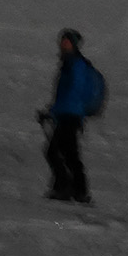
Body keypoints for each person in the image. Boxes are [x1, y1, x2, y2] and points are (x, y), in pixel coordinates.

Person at [36, 28, 93, 204]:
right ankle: (77, 190)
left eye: (67, 41)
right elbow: (64, 94)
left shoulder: (75, 64)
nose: (63, 44)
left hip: (71, 115)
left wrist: (53, 112)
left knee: (54, 152)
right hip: (68, 114)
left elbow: (72, 94)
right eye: (62, 41)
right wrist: (51, 111)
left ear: (74, 45)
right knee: (69, 154)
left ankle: (66, 188)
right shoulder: (69, 63)